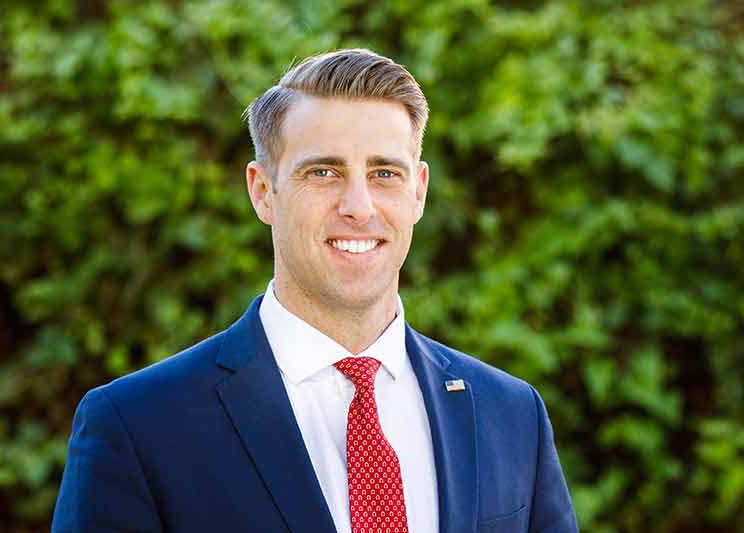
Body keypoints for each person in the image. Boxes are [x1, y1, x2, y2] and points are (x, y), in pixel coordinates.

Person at [52, 48, 578, 533]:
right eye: (323, 172)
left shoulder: (511, 415)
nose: (359, 206)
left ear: (419, 191)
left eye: (384, 173)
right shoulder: (138, 426)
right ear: (263, 192)